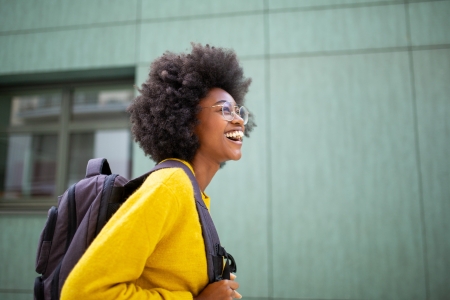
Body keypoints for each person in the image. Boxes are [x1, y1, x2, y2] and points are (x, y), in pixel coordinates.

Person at [60, 43, 254, 300]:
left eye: (239, 111)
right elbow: (83, 293)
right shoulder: (170, 185)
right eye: (224, 109)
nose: (238, 119)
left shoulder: (193, 194)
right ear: (187, 119)